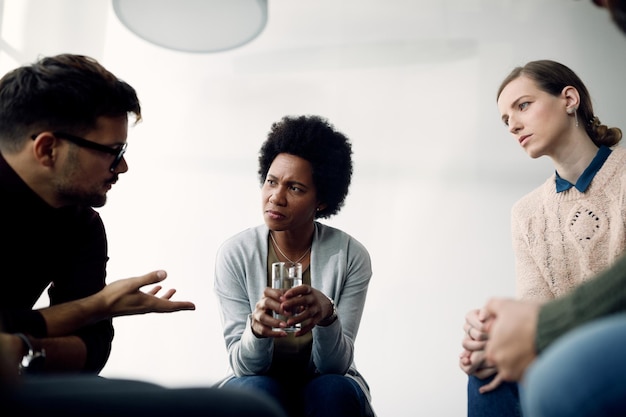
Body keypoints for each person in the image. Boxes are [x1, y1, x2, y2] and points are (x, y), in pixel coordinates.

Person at [0, 53, 196, 374]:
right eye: (114, 152)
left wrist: (23, 347)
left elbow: (93, 348)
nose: (123, 167)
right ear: (48, 149)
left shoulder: (82, 224)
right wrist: (98, 305)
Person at [459, 59, 626, 416]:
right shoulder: (526, 213)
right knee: (488, 372)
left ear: (569, 99)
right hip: (564, 342)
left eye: (523, 105)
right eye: (506, 119)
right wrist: (492, 335)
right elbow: (536, 306)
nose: (513, 124)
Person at [213, 115, 375, 417]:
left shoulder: (351, 256)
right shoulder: (235, 253)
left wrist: (327, 316)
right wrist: (256, 331)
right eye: (271, 182)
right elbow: (243, 366)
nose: (276, 197)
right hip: (255, 379)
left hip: (326, 383)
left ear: (322, 201)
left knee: (332, 391)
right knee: (255, 393)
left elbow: (335, 366)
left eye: (295, 188)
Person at [479, 250, 626, 417]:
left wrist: (543, 324)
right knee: (489, 371)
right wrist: (494, 332)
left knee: (553, 384)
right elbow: (532, 300)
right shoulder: (524, 223)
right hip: (568, 323)